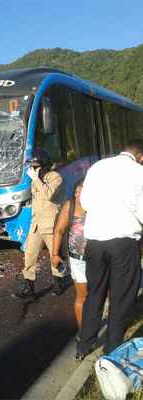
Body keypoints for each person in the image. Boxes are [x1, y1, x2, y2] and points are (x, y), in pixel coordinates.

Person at [76, 140, 143, 360]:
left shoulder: (98, 167)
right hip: (123, 243)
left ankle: (84, 345)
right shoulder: (138, 172)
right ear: (141, 156)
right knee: (121, 296)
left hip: (95, 242)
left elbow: (84, 202)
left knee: (94, 293)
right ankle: (112, 348)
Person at [17, 149, 66, 297]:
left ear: (44, 165)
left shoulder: (55, 177)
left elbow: (49, 194)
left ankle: (59, 282)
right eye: (32, 167)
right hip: (36, 224)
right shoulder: (35, 179)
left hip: (51, 224)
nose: (33, 169)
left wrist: (36, 179)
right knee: (30, 254)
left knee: (54, 255)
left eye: (36, 166)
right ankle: (29, 286)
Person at [52, 179, 87, 331]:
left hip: (99, 258)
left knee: (104, 294)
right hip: (77, 259)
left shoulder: (99, 205)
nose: (78, 195)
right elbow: (59, 230)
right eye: (76, 191)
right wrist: (54, 254)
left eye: (82, 191)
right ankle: (84, 333)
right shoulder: (69, 206)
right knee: (82, 297)